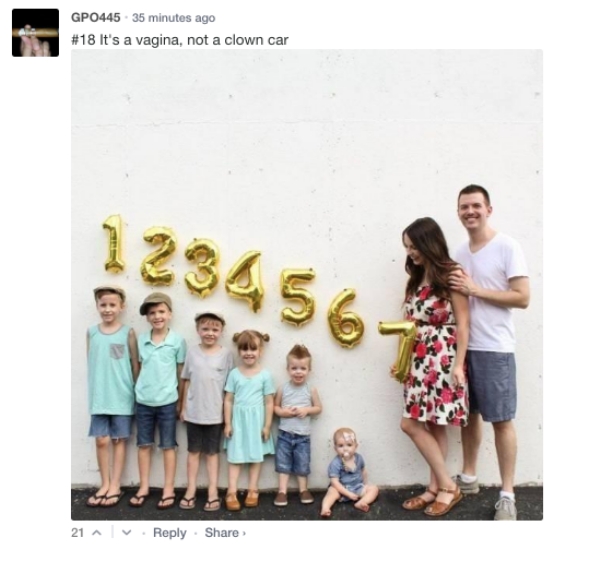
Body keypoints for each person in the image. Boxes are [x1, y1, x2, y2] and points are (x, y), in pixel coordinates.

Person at [448, 184, 530, 521]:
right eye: (464, 207)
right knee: (469, 416)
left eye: (476, 206)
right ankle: (468, 478)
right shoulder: (459, 252)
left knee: (502, 421)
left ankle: (508, 495)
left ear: (488, 209)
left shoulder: (507, 246)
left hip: (496, 349)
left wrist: (476, 290)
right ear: (458, 212)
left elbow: (522, 297)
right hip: (465, 348)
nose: (470, 212)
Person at [392, 217, 469, 517]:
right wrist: (401, 361)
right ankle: (435, 488)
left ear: (428, 243)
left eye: (414, 246)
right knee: (427, 424)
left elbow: (463, 324)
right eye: (407, 247)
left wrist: (459, 365)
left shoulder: (452, 274)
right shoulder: (416, 277)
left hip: (443, 358)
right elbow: (409, 325)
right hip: (418, 359)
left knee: (415, 424)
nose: (410, 252)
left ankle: (448, 487)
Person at [129, 292, 187, 510]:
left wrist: (180, 402)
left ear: (170, 314)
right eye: (152, 313)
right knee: (144, 445)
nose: (157, 316)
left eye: (161, 311)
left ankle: (168, 488)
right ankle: (143, 486)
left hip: (168, 402)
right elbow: (138, 368)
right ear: (147, 317)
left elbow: (181, 373)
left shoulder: (177, 341)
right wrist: (138, 390)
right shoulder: (142, 340)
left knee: (168, 445)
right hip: (144, 401)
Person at [86, 286, 139, 507]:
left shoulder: (128, 333)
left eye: (112, 305)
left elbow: (135, 365)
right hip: (99, 396)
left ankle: (116, 484)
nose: (107, 309)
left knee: (119, 440)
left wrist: (135, 391)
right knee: (101, 440)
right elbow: (91, 362)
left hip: (122, 396)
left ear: (121, 307)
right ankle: (105, 483)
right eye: (103, 305)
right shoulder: (91, 332)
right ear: (97, 306)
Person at [178, 311, 234, 511]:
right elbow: (186, 381)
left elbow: (230, 388)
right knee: (193, 451)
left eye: (215, 329)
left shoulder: (226, 354)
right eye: (206, 329)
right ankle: (190, 489)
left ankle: (212, 491)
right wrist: (183, 407)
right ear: (198, 330)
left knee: (211, 453)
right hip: (194, 412)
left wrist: (227, 417)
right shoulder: (192, 352)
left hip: (215, 414)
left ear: (221, 331)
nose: (210, 333)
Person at [223, 330, 275, 511]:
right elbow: (228, 400)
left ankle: (253, 489)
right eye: (244, 349)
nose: (249, 353)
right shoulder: (234, 374)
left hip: (257, 422)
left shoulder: (265, 375)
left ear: (260, 351)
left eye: (253, 349)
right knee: (235, 457)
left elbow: (269, 402)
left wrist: (267, 425)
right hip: (238, 422)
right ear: (239, 351)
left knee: (255, 456)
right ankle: (231, 491)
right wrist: (227, 423)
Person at [273, 344, 322, 507]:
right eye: (294, 368)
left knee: (302, 464)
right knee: (283, 464)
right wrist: (283, 413)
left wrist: (306, 410)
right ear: (288, 369)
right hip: (284, 435)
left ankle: (303, 490)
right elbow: (275, 407)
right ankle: (282, 491)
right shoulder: (283, 388)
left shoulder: (311, 389)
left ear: (309, 370)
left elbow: (318, 408)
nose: (298, 372)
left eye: (303, 368)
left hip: (303, 437)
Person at [320, 428, 379, 517]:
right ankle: (325, 508)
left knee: (374, 488)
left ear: (356, 446)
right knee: (331, 491)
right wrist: (347, 494)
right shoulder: (336, 463)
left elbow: (363, 471)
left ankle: (361, 502)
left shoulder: (359, 458)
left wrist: (365, 485)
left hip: (357, 488)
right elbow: (334, 482)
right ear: (335, 448)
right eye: (341, 446)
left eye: (349, 445)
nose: (345, 449)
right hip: (341, 490)